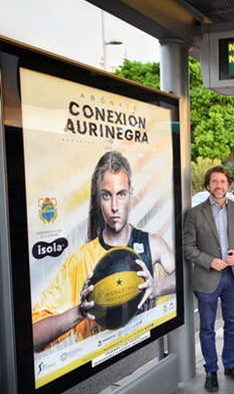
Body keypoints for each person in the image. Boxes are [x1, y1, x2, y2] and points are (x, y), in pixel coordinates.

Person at [32, 150, 176, 352]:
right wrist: (80, 312)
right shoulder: (80, 260)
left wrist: (156, 287)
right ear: (98, 198)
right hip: (103, 373)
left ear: (131, 194)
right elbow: (33, 338)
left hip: (143, 357)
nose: (115, 206)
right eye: (106, 195)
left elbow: (185, 275)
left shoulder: (152, 243)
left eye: (121, 194)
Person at [184, 166, 234, 392]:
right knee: (206, 328)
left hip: (233, 278)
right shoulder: (195, 214)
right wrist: (209, 261)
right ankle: (211, 370)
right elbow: (188, 247)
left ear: (228, 184)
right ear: (207, 185)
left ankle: (230, 364)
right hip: (207, 278)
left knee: (232, 325)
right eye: (214, 182)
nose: (219, 186)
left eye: (223, 181)